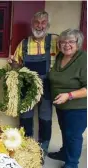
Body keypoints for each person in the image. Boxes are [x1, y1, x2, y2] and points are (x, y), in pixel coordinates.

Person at [8, 11, 59, 160]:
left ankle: (42, 149)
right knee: (25, 118)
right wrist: (13, 64)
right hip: (27, 87)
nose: (40, 26)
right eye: (37, 22)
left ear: (48, 25)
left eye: (43, 22)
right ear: (32, 24)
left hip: (47, 87)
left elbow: (66, 59)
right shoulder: (23, 44)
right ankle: (26, 147)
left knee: (45, 119)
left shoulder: (55, 41)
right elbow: (17, 66)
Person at [48, 29, 87, 168]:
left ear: (78, 43)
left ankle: (72, 163)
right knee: (65, 131)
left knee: (74, 136)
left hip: (78, 108)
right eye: (63, 42)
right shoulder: (60, 57)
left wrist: (69, 95)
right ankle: (65, 153)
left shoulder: (83, 59)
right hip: (62, 106)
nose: (66, 45)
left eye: (71, 41)